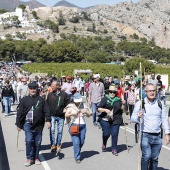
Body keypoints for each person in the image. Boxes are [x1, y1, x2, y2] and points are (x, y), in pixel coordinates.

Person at [131, 83, 170, 170]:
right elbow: (133, 118)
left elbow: (164, 119)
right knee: (146, 156)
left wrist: (167, 133)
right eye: (150, 91)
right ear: (146, 92)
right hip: (145, 135)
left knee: (154, 158)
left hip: (157, 135)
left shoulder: (160, 103)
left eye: (154, 91)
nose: (152, 93)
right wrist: (138, 116)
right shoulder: (141, 103)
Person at [16, 82, 51, 167]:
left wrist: (48, 120)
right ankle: (29, 158)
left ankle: (36, 157)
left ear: (37, 89)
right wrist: (18, 124)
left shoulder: (41, 99)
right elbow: (20, 112)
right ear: (29, 89)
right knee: (28, 141)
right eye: (31, 88)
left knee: (37, 142)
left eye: (34, 88)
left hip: (39, 125)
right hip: (28, 124)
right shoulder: (24, 100)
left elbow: (46, 110)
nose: (33, 90)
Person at [64, 93, 91, 163]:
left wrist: (86, 112)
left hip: (83, 125)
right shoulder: (70, 106)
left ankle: (77, 150)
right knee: (76, 142)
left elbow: (88, 116)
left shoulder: (83, 105)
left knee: (82, 141)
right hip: (74, 125)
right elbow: (66, 115)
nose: (78, 102)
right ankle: (77, 157)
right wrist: (72, 114)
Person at [97, 85, 123, 156]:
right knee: (106, 133)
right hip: (105, 118)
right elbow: (98, 108)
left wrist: (123, 104)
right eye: (110, 92)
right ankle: (104, 143)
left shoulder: (118, 100)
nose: (112, 93)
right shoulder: (105, 99)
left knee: (115, 134)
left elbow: (121, 109)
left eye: (113, 92)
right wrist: (105, 109)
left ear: (115, 93)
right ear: (108, 92)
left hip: (116, 119)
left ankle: (114, 148)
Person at [47, 81, 70, 152]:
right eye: (51, 85)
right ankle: (53, 145)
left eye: (53, 86)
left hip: (61, 116)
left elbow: (68, 105)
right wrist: (47, 117)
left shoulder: (64, 95)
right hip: (52, 115)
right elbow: (47, 105)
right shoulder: (50, 94)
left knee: (60, 131)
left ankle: (58, 144)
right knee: (52, 130)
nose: (51, 87)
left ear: (57, 86)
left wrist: (67, 113)